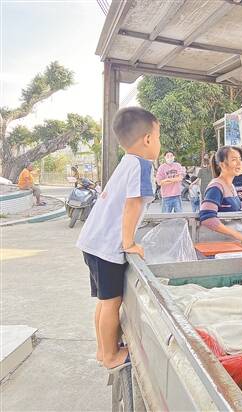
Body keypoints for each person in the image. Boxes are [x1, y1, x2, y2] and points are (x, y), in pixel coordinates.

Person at [76, 107, 160, 372]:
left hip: (93, 242)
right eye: (158, 137)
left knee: (105, 301)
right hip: (107, 246)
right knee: (112, 302)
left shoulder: (126, 162)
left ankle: (103, 351)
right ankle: (111, 355)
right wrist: (129, 243)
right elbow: (132, 204)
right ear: (148, 138)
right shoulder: (142, 165)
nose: (158, 143)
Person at [199, 146, 242, 244]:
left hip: (230, 243)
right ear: (222, 165)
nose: (239, 163)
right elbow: (207, 217)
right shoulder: (216, 187)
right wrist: (237, 234)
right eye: (234, 160)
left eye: (240, 159)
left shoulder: (231, 186)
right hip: (218, 244)